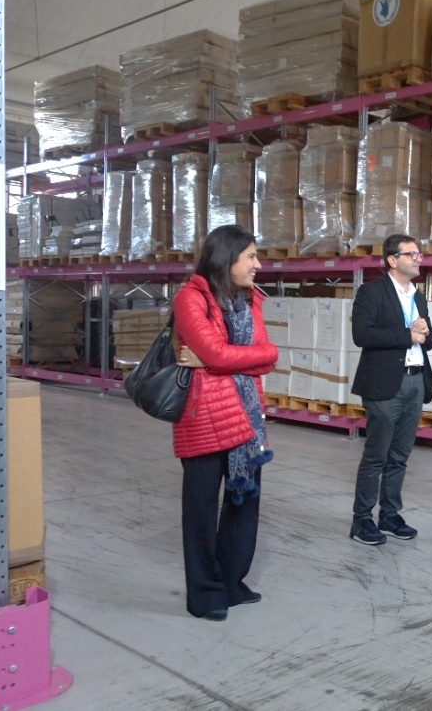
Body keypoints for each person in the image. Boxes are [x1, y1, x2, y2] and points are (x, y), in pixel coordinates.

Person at [172, 225, 278, 621]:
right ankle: (204, 592)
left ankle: (232, 583)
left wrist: (221, 357)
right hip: (204, 418)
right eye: (251, 256)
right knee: (199, 510)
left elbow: (268, 355)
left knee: (244, 502)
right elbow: (218, 352)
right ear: (227, 257)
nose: (258, 264)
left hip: (246, 421)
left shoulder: (251, 301)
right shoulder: (191, 297)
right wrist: (231, 356)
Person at [348, 233, 432, 547]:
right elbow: (362, 335)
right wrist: (407, 335)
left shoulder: (419, 296)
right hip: (384, 383)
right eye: (411, 254)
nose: (418, 259)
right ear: (392, 260)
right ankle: (361, 521)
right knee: (377, 455)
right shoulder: (371, 292)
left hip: (415, 380)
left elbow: (429, 340)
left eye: (418, 254)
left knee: (400, 456)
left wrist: (426, 334)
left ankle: (389, 515)